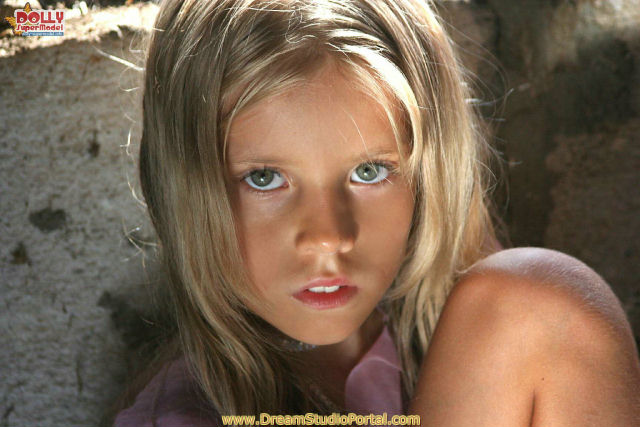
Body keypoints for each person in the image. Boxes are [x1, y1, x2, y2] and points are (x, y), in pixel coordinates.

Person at [113, 0, 640, 425]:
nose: (328, 237)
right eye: (264, 178)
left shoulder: (496, 324)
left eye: (369, 172)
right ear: (184, 190)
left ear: (428, 173)